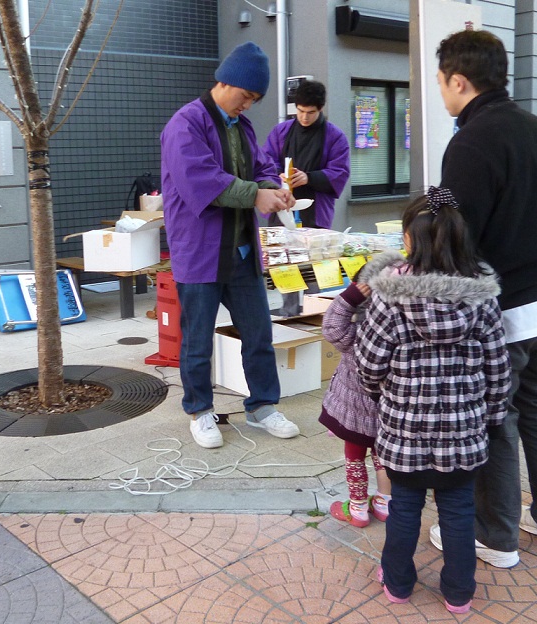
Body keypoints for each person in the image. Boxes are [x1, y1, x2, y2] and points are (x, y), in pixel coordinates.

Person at [431, 29, 537, 568]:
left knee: (496, 418)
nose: (442, 95)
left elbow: (450, 227)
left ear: (459, 80)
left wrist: (428, 212)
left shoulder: (471, 141)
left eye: (442, 84)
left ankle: (494, 536)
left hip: (502, 309)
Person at [354, 187, 511, 614]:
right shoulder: (482, 299)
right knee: (458, 511)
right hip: (463, 434)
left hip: (404, 432)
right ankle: (459, 592)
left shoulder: (389, 298)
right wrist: (492, 417)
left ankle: (399, 583)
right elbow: (499, 369)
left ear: (410, 240)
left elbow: (368, 364)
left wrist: (381, 396)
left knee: (404, 508)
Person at [160, 41, 301, 449]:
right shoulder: (185, 124)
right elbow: (199, 180)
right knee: (198, 339)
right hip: (200, 251)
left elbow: (260, 167)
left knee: (259, 332)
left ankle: (262, 408)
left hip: (240, 250)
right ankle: (200, 411)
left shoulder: (242, 126)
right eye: (247, 96)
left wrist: (275, 187)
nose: (249, 105)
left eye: (255, 99)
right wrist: (256, 195)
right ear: (226, 81)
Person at [319, 265, 392, 528]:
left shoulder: (356, 334)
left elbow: (332, 327)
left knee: (354, 456)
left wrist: (349, 297)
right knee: (383, 457)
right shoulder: (397, 330)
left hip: (355, 414)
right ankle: (385, 504)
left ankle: (358, 508)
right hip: (389, 414)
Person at [263, 80, 350, 229]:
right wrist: (279, 174)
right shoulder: (280, 131)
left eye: (310, 112)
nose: (304, 117)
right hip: (281, 205)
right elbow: (266, 161)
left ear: (320, 109)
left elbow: (340, 172)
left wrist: (308, 178)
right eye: (300, 111)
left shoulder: (335, 136)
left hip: (316, 211)